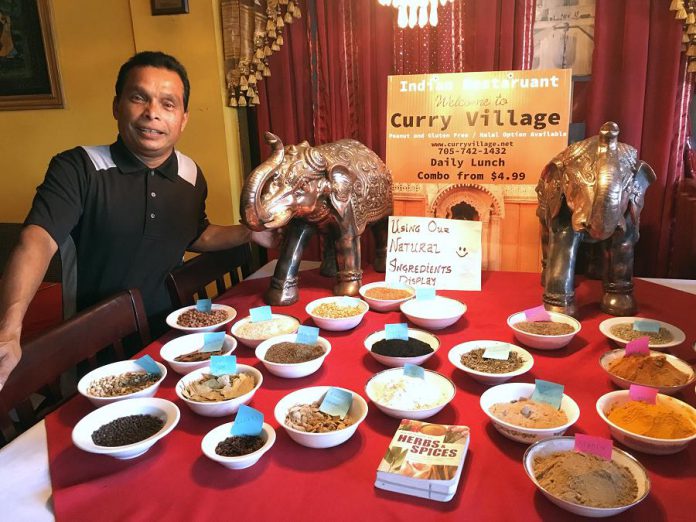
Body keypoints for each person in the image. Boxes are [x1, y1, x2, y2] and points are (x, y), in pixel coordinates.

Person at [0, 51, 275, 390]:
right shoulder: (79, 167)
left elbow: (196, 234)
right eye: (138, 98)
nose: (152, 113)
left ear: (183, 118)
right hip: (95, 349)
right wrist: (10, 328)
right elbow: (37, 240)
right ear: (117, 106)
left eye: (168, 104)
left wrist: (249, 234)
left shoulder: (189, 173)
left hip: (173, 337)